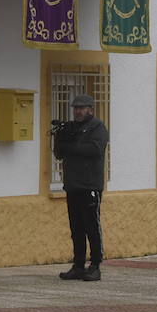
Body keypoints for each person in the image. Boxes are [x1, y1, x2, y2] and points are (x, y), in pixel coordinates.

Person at [51, 94, 109, 281]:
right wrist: (59, 139)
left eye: (82, 108)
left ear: (90, 109)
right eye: (75, 108)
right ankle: (78, 264)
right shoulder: (71, 128)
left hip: (90, 185)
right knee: (76, 227)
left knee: (92, 226)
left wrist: (71, 145)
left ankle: (95, 265)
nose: (77, 111)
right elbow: (59, 154)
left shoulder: (97, 127)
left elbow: (94, 150)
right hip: (73, 185)